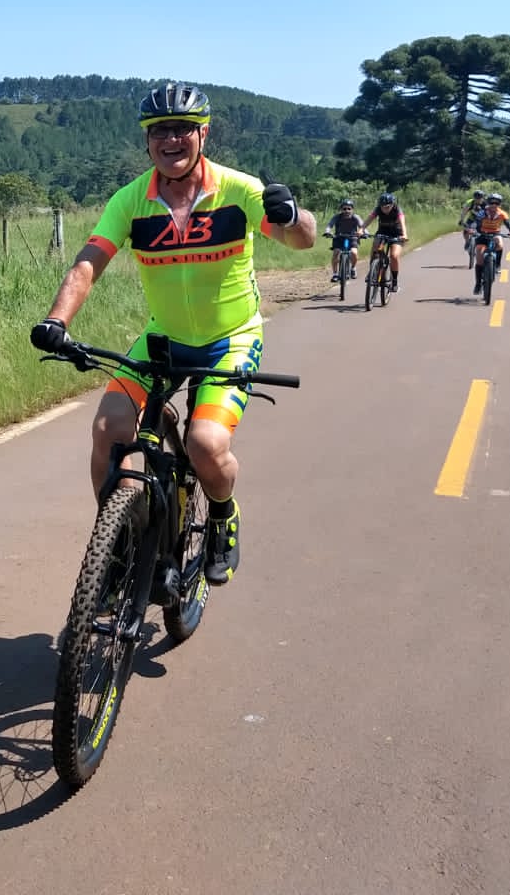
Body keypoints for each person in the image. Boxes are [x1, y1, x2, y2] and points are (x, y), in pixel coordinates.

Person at [28, 82, 317, 586]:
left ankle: (223, 516)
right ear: (147, 140)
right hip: (163, 337)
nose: (171, 139)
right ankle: (117, 541)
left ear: (203, 133)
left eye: (183, 129)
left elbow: (303, 239)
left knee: (205, 443)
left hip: (231, 338)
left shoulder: (238, 190)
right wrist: (57, 320)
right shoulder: (131, 200)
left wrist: (292, 215)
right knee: (107, 429)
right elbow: (89, 262)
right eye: (160, 130)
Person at [360, 191, 409, 291]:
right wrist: (361, 229)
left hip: (397, 234)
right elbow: (369, 218)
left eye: (387, 207)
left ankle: (394, 281)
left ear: (392, 204)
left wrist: (404, 234)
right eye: (382, 207)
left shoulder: (397, 209)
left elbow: (402, 222)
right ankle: (372, 271)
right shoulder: (378, 209)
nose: (384, 209)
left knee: (394, 256)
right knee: (375, 248)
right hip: (383, 232)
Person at [471, 193, 510, 291]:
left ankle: (497, 265)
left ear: (499, 204)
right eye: (492, 203)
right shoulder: (482, 212)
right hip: (482, 234)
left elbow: (508, 224)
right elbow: (476, 223)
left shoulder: (502, 214)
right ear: (488, 203)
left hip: (495, 233)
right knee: (479, 257)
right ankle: (478, 284)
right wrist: (473, 230)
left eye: (496, 203)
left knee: (499, 242)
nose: (494, 205)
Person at [325, 198, 365, 282]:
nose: (347, 211)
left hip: (352, 237)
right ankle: (335, 274)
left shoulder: (355, 217)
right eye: (344, 209)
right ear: (341, 209)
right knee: (336, 253)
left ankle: (353, 268)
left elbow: (362, 226)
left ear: (352, 209)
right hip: (339, 237)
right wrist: (328, 232)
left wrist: (364, 233)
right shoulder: (337, 217)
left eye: (349, 209)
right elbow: (330, 225)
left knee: (354, 252)